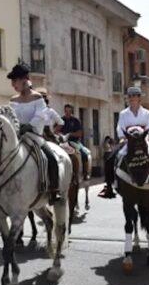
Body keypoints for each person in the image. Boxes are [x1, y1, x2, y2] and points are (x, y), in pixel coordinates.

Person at [98, 86, 149, 200]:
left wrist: (146, 136)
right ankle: (108, 186)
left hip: (144, 140)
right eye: (130, 96)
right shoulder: (123, 114)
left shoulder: (147, 113)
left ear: (139, 98)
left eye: (134, 96)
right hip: (128, 141)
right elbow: (120, 127)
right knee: (110, 158)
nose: (131, 99)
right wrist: (122, 137)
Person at [6, 63, 62, 203]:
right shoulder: (13, 100)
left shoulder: (37, 98)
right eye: (12, 81)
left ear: (24, 80)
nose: (13, 84)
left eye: (15, 80)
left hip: (34, 136)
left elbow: (41, 115)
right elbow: (9, 116)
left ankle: (53, 189)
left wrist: (29, 126)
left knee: (50, 158)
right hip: (17, 135)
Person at [61, 103, 90, 169]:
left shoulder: (76, 121)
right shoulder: (61, 120)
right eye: (66, 111)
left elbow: (79, 133)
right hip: (63, 142)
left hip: (74, 141)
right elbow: (56, 130)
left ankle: (86, 172)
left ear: (72, 111)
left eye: (69, 111)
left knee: (84, 153)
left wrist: (70, 134)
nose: (67, 113)